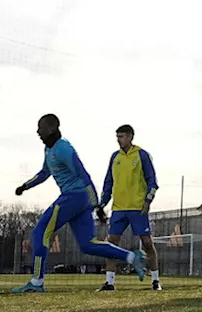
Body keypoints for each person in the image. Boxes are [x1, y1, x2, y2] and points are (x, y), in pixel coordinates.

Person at [12, 114, 148, 293]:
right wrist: (25, 186)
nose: (38, 131)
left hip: (75, 196)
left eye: (41, 127)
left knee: (40, 231)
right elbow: (45, 172)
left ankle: (36, 283)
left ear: (51, 128)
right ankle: (132, 257)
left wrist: (97, 204)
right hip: (78, 200)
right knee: (87, 244)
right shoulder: (49, 149)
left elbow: (84, 176)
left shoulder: (63, 149)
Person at [97, 124, 161, 291]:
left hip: (138, 208)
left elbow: (152, 181)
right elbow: (108, 182)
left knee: (147, 243)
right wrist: (102, 202)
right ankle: (110, 282)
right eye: (117, 137)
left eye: (122, 136)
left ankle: (155, 280)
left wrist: (148, 200)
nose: (119, 140)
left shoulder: (141, 155)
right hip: (118, 208)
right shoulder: (114, 157)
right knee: (111, 243)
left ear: (131, 137)